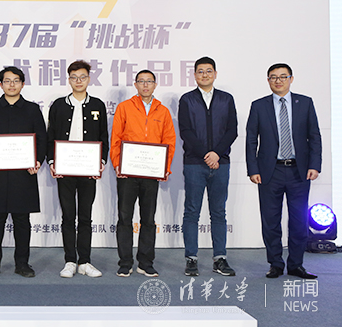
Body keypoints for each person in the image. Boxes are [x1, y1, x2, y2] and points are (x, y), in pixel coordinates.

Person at [246, 63, 321, 279]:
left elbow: (314, 136)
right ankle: (276, 264)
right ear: (268, 80)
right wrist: (253, 169)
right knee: (270, 221)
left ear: (291, 79)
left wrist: (314, 165)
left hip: (299, 171)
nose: (278, 81)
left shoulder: (305, 103)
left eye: (283, 76)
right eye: (273, 77)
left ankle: (296, 264)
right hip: (270, 172)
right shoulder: (259, 106)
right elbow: (251, 140)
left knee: (299, 220)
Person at [0, 66, 47, 278]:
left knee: (22, 221)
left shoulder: (32, 109)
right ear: (1, 85)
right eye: (7, 81)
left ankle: (22, 263)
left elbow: (41, 138)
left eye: (16, 80)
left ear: (22, 84)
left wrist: (37, 161)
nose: (12, 85)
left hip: (23, 175)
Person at [110, 69, 175, 278]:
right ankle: (125, 262)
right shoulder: (124, 107)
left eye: (149, 81)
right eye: (141, 81)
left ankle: (145, 262)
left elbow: (169, 141)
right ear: (136, 85)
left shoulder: (163, 111)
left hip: (151, 174)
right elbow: (116, 138)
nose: (145, 85)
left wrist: (165, 167)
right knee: (125, 218)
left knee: (148, 219)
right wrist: (117, 164)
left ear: (155, 85)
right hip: (127, 174)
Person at [46, 60, 109, 278]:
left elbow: (103, 136)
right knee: (68, 216)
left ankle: (85, 261)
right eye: (74, 77)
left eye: (82, 77)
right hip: (64, 170)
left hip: (88, 170)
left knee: (85, 216)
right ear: (69, 80)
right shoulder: (58, 105)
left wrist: (100, 162)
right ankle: (70, 261)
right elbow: (51, 135)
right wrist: (52, 162)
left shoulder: (98, 105)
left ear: (89, 79)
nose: (78, 81)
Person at [179, 57, 238, 277]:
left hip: (220, 163)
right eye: (200, 71)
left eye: (209, 71)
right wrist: (206, 154)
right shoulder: (187, 99)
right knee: (192, 211)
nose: (205, 75)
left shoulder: (226, 99)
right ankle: (191, 258)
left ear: (215, 74)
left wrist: (216, 154)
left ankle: (220, 258)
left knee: (218, 212)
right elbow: (185, 131)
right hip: (195, 163)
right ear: (194, 75)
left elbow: (232, 130)